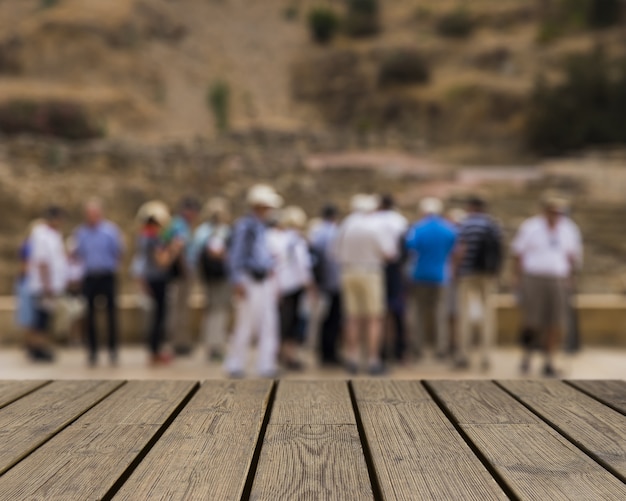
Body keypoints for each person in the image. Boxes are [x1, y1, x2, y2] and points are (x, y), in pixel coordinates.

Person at [512, 195, 582, 377]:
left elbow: (572, 256)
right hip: (534, 278)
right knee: (532, 320)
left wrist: (572, 277)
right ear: (545, 211)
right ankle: (527, 356)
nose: (556, 215)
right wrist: (517, 278)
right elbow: (518, 253)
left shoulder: (569, 229)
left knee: (555, 322)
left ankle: (549, 360)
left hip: (558, 279)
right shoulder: (531, 227)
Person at [223, 184, 283, 378]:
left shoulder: (261, 227)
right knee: (245, 322)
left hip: (263, 279)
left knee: (268, 322)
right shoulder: (245, 226)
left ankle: (266, 364)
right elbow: (236, 256)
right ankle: (235, 363)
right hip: (249, 279)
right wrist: (237, 281)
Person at [335, 194, 396, 375]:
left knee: (352, 317)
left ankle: (352, 357)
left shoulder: (346, 225)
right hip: (370, 272)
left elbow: (335, 252)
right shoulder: (375, 226)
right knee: (373, 318)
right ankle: (372, 360)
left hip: (348, 271)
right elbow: (389, 253)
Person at [453, 196, 503, 371]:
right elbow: (499, 249)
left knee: (465, 315)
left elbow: (460, 249)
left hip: (467, 273)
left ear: (470, 207)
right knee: (488, 315)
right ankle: (486, 356)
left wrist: (455, 270)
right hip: (487, 274)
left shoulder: (465, 224)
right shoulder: (492, 224)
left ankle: (464, 355)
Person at [405, 198, 457, 360]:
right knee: (440, 312)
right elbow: (453, 249)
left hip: (420, 274)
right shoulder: (448, 229)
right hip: (440, 275)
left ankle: (417, 347)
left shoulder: (418, 229)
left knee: (418, 313)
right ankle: (441, 348)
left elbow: (410, 248)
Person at [74, 198, 124, 366]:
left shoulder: (110, 231)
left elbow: (118, 251)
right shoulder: (81, 233)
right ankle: (92, 351)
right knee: (89, 315)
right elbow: (79, 253)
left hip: (107, 275)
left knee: (111, 314)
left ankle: (112, 349)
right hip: (90, 276)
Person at [269, 206, 313, 371]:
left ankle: (279, 353)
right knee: (292, 322)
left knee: (281, 321)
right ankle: (289, 354)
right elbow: (303, 266)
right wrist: (309, 284)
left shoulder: (277, 237)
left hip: (279, 286)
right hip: (294, 286)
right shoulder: (296, 240)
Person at [136, 206, 181, 366]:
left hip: (151, 279)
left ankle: (155, 350)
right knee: (159, 318)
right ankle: (155, 351)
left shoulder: (143, 237)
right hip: (158, 280)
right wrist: (174, 250)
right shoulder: (153, 239)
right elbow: (162, 262)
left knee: (156, 317)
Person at [190, 197, 232, 362]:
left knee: (214, 310)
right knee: (217, 311)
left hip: (211, 277)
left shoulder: (202, 231)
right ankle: (215, 345)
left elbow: (194, 256)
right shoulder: (223, 231)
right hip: (218, 277)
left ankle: (214, 344)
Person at [26, 206, 68, 362]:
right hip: (44, 285)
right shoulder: (41, 234)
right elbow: (42, 261)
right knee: (40, 318)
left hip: (50, 284)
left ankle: (40, 346)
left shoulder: (53, 235)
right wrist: (47, 285)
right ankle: (37, 346)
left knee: (45, 317)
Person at [374, 194, 409, 362]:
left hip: (378, 268)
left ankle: (380, 351)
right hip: (396, 269)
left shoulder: (374, 220)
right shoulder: (399, 221)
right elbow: (406, 247)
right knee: (397, 310)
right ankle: (399, 350)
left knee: (379, 311)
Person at [165, 197, 200, 356]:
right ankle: (179, 343)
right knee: (180, 309)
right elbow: (178, 247)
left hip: (180, 273)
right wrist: (185, 269)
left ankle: (180, 341)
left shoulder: (178, 224)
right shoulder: (180, 225)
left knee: (180, 308)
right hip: (180, 274)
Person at [309, 204, 342, 366]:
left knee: (322, 318)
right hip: (333, 282)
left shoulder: (316, 231)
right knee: (332, 318)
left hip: (321, 282)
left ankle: (323, 351)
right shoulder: (334, 232)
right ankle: (329, 353)